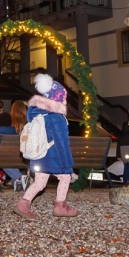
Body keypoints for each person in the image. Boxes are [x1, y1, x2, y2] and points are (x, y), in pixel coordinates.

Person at [14, 74, 78, 219]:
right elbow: (62, 143)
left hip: (40, 154)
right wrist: (67, 166)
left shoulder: (38, 114)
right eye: (64, 97)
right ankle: (60, 206)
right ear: (57, 99)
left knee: (40, 182)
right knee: (65, 177)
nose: (66, 101)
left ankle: (23, 203)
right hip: (54, 156)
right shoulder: (57, 117)